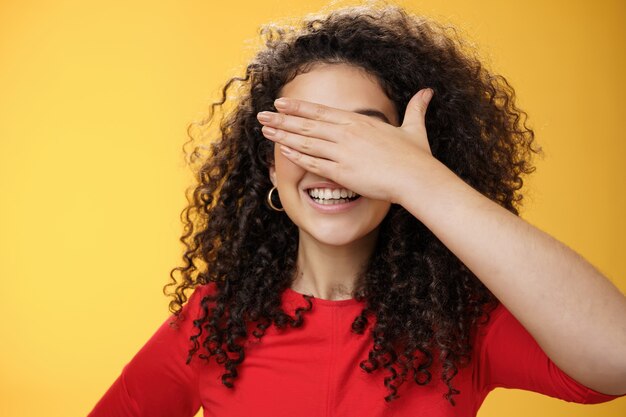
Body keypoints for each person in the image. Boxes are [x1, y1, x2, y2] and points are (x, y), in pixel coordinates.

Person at [88, 2, 626, 416]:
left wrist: (421, 182)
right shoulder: (214, 323)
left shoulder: (458, 322)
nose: (333, 166)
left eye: (365, 138)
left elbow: (616, 357)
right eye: (307, 137)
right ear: (271, 167)